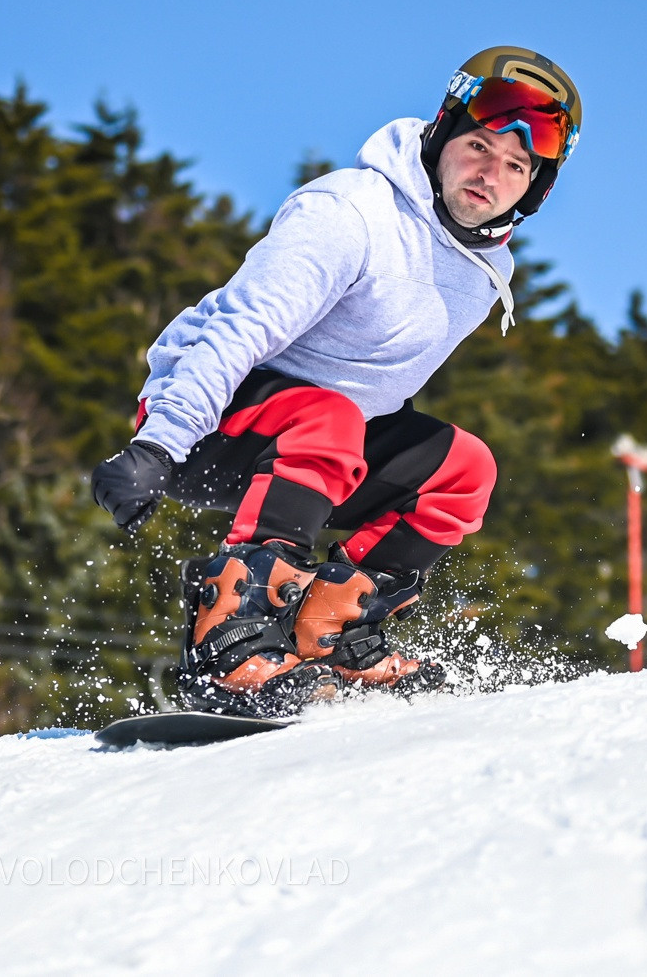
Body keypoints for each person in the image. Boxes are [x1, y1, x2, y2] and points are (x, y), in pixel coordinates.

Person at [90, 47, 583, 717]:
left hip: (316, 449)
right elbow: (241, 327)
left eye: (516, 166)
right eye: (477, 145)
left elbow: (379, 391)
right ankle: (228, 643)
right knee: (331, 417)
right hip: (208, 423)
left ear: (534, 191)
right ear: (441, 135)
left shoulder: (482, 270)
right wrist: (159, 443)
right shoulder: (350, 213)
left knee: (464, 467)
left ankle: (329, 638)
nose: (490, 173)